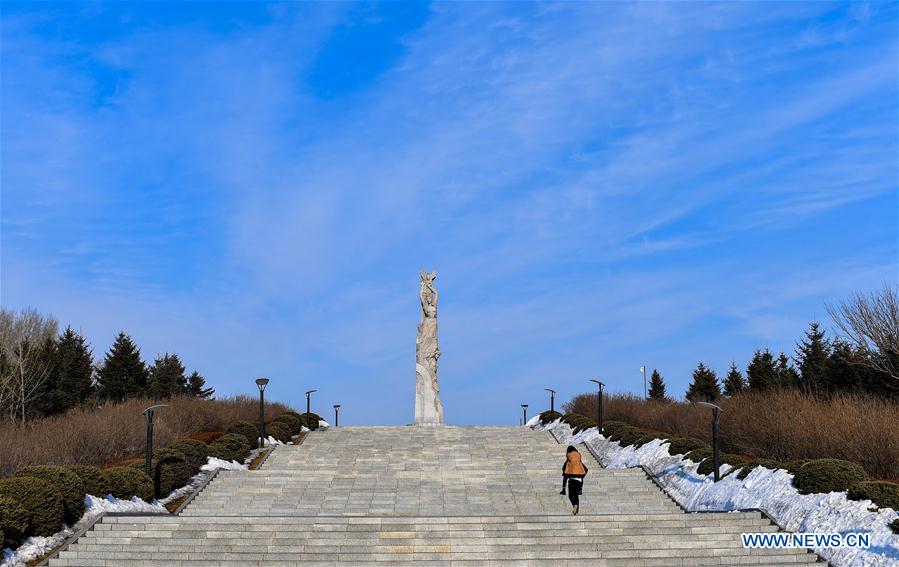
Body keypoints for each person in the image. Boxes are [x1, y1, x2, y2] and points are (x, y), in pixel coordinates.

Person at [560, 445, 588, 515]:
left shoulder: (568, 463)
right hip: (579, 480)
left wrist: (563, 488)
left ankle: (574, 505)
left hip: (572, 479)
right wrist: (581, 486)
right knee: (576, 495)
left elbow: (565, 475)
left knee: (570, 496)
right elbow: (586, 470)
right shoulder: (580, 463)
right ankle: (576, 510)